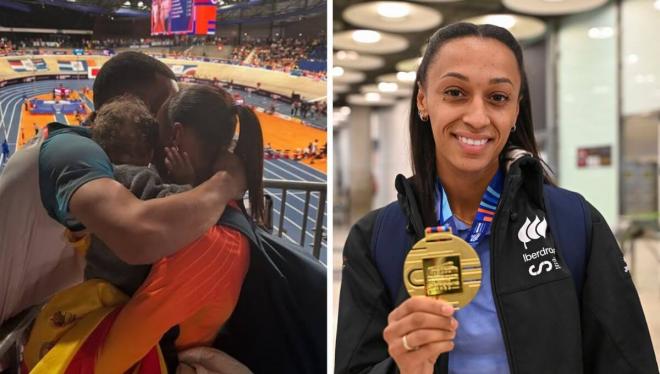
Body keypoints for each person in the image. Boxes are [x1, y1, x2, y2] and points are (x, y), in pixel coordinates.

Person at [335, 22, 658, 374]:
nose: (477, 117)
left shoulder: (575, 223)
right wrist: (405, 369)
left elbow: (627, 361)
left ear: (516, 110)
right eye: (455, 92)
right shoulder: (375, 239)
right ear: (423, 100)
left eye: (498, 97)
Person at [0, 51, 243, 325]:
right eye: (169, 108)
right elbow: (137, 236)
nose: (176, 127)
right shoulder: (70, 151)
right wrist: (226, 181)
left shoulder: (109, 161)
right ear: (135, 104)